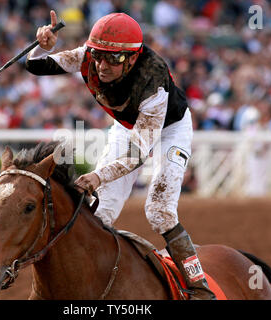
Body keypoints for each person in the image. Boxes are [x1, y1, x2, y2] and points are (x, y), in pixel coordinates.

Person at [25, 10, 216, 300]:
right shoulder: (89, 55)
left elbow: (136, 155)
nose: (101, 65)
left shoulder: (154, 83)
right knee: (101, 213)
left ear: (132, 58)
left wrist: (98, 176)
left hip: (169, 128)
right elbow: (37, 66)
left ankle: (199, 287)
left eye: (112, 59)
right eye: (99, 55)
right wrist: (42, 44)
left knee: (160, 211)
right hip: (127, 126)